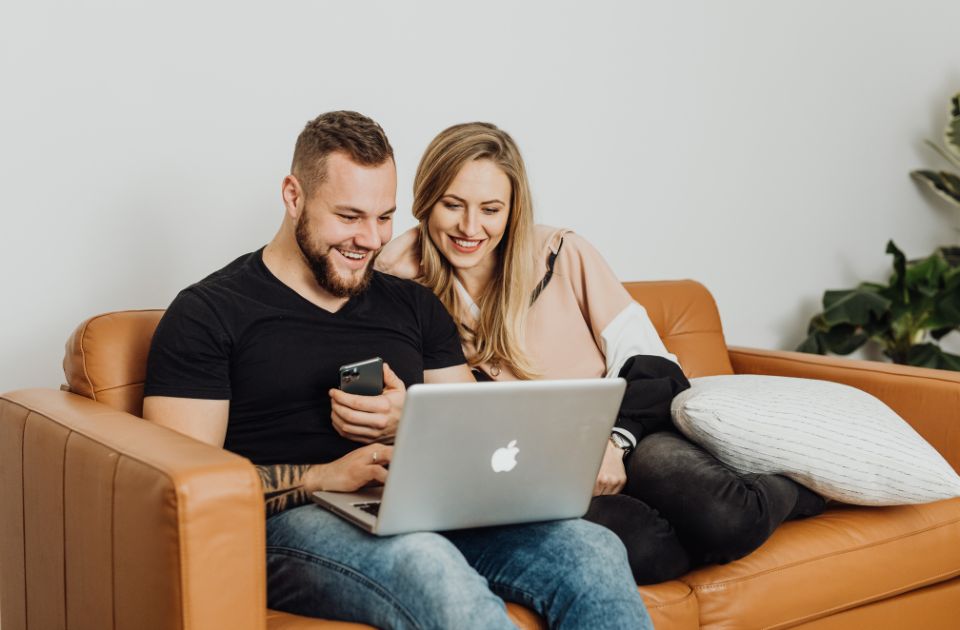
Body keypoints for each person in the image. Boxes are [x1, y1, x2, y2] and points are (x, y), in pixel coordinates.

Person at [142, 111, 652, 630]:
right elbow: (177, 487)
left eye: (384, 217)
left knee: (592, 550)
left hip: (421, 508)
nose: (369, 239)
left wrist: (410, 421)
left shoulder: (414, 306)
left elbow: (475, 436)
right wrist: (324, 477)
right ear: (294, 196)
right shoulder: (210, 313)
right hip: (288, 524)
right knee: (426, 564)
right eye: (349, 216)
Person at [376, 121, 827, 583]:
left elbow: (653, 365)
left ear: (513, 211)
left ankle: (795, 490)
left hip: (628, 435)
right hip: (537, 474)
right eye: (452, 205)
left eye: (491, 209)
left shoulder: (561, 253)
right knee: (645, 553)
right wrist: (390, 263)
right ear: (425, 201)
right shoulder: (401, 286)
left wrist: (612, 442)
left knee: (728, 519)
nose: (470, 227)